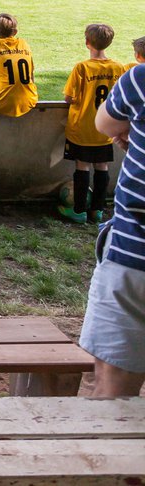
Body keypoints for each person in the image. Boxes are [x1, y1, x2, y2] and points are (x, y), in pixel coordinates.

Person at [80, 63, 145, 397]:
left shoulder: (141, 78)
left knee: (112, 387)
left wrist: (132, 130)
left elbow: (105, 123)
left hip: (136, 258)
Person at [59, 24, 124, 224]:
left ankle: (78, 211)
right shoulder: (118, 68)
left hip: (82, 128)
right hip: (105, 128)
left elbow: (69, 98)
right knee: (102, 166)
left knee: (82, 166)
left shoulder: (82, 67)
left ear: (87, 42)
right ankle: (97, 211)